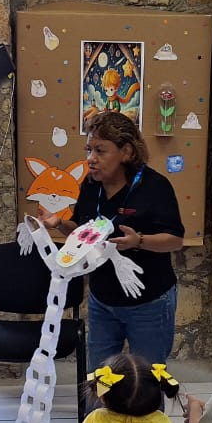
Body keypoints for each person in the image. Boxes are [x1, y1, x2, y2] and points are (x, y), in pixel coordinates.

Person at [39, 112, 184, 369]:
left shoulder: (155, 187)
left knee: (147, 382)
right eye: (88, 150)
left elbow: (174, 240)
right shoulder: (90, 185)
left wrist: (138, 241)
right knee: (100, 380)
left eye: (100, 151)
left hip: (149, 301)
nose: (90, 160)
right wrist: (60, 223)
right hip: (102, 300)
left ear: (126, 152)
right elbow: (82, 229)